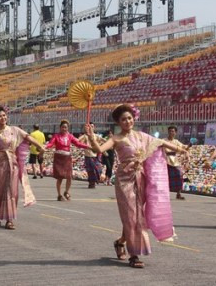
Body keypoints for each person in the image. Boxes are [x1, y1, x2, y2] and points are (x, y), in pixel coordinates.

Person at [87, 104, 185, 268]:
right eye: (123, 119)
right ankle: (134, 254)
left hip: (141, 178)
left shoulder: (141, 136)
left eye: (130, 118)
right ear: (119, 122)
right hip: (125, 180)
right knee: (132, 216)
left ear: (134, 119)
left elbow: (159, 143)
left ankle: (120, 242)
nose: (127, 121)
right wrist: (91, 136)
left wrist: (179, 148)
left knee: (137, 215)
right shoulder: (115, 138)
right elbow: (99, 149)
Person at [46, 120, 91, 201]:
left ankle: (66, 192)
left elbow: (78, 143)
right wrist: (44, 147)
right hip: (59, 158)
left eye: (66, 127)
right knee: (60, 178)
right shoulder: (56, 136)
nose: (64, 129)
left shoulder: (70, 136)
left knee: (69, 177)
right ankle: (59, 195)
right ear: (60, 128)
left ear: (68, 128)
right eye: (63, 127)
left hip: (67, 158)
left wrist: (87, 146)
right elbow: (50, 144)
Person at [164, 126, 188, 200]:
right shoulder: (164, 140)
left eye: (173, 131)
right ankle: (165, 193)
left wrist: (188, 146)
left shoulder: (176, 142)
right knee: (166, 178)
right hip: (165, 160)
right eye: (170, 131)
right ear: (168, 132)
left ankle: (178, 193)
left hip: (174, 161)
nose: (171, 133)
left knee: (179, 175)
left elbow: (183, 147)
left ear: (175, 133)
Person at [78, 122, 104, 189]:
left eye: (92, 126)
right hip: (88, 156)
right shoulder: (85, 136)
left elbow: (103, 140)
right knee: (90, 171)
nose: (91, 128)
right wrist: (85, 133)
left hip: (95, 156)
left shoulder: (96, 136)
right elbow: (78, 141)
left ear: (94, 128)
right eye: (89, 127)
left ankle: (96, 179)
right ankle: (91, 183)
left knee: (99, 169)